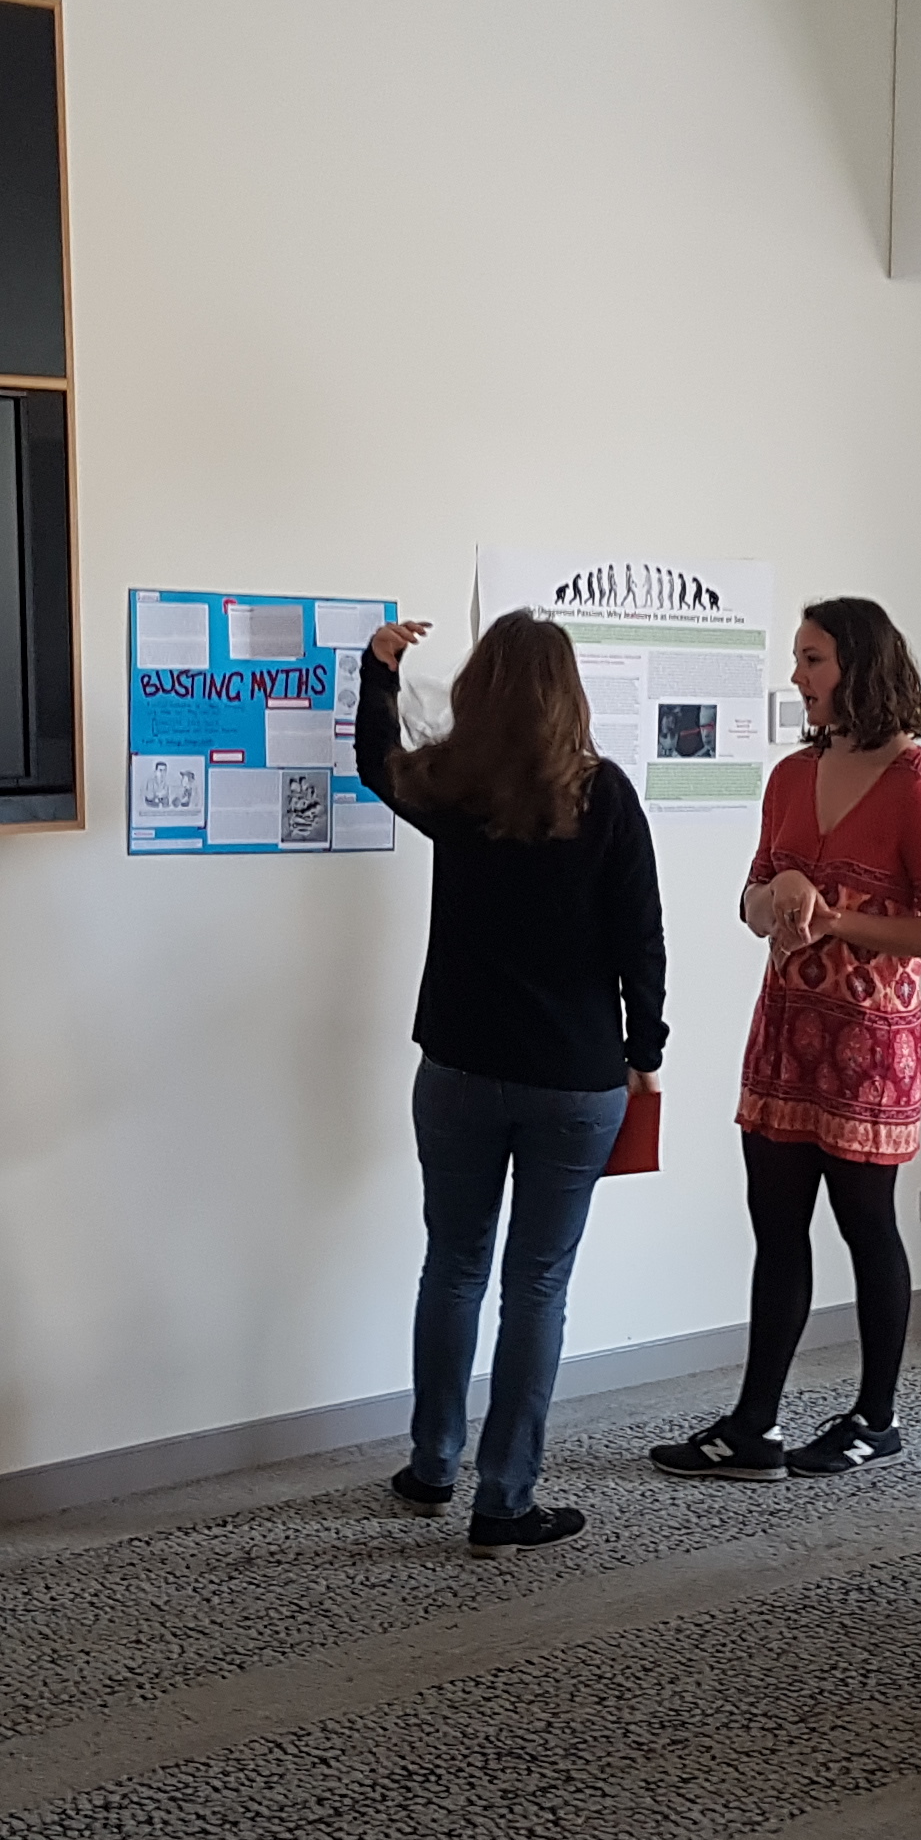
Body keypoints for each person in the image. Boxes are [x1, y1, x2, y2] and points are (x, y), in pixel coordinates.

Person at [354, 613, 666, 1554]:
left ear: (479, 689)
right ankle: (505, 1500)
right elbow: (641, 938)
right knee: (537, 1284)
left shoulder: (455, 789)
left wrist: (378, 673)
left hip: (457, 1068)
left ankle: (432, 1465)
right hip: (574, 1079)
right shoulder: (605, 797)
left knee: (453, 1266)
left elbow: (375, 765)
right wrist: (644, 1051)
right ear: (570, 693)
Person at [655, 598, 921, 1480]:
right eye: (798, 659)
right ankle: (753, 1425)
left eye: (813, 659)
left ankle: (877, 1416)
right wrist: (781, 897)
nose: (797, 676)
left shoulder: (918, 786)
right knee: (776, 1227)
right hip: (787, 1036)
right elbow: (750, 901)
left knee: (867, 1226)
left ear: (858, 667)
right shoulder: (791, 776)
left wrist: (837, 919)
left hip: (870, 1047)